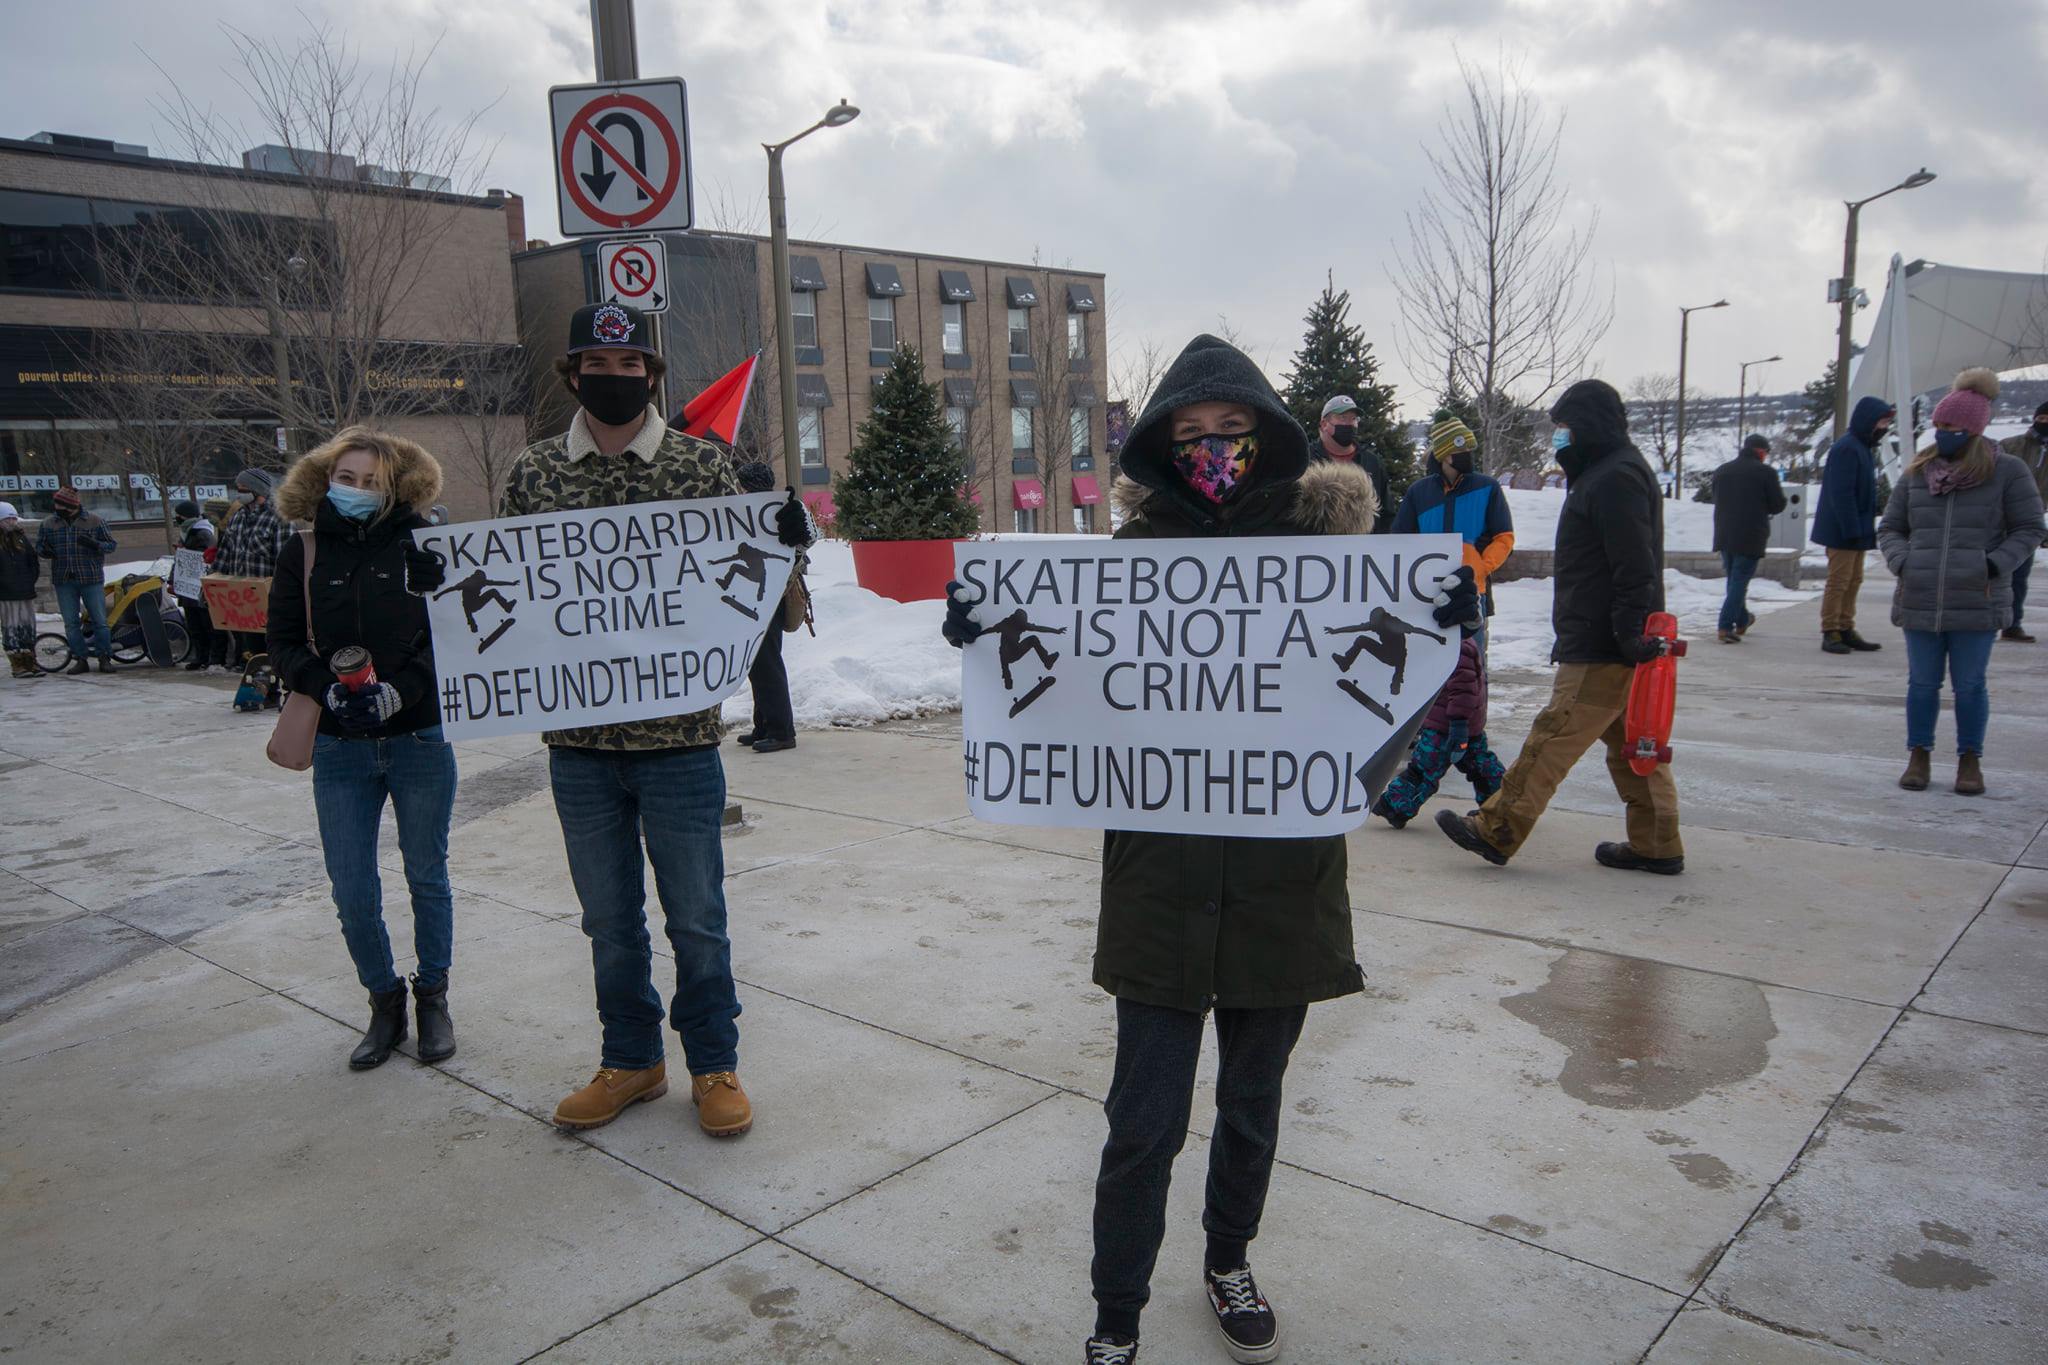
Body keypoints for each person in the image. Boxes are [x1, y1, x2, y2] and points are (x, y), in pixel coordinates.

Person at [947, 334, 1473, 1365]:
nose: (1212, 450)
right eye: (1188, 436)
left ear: (1269, 440)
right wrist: (985, 632)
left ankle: (1227, 1256)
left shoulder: (1334, 568)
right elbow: (1060, 701)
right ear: (1157, 450)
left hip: (1281, 885)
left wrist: (1434, 633)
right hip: (1158, 885)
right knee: (1139, 1119)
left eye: (1231, 432)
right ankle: (1114, 1313)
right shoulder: (1131, 568)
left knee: (1250, 1104)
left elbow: (1367, 739)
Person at [500, 302, 813, 1136]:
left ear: (652, 375)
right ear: (574, 374)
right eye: (598, 368)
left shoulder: (699, 468)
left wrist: (785, 547)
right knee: (608, 919)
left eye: (631, 366)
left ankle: (713, 1063)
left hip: (678, 743)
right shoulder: (533, 475)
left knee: (697, 917)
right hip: (580, 745)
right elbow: (504, 598)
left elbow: (751, 601)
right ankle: (631, 1059)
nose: (615, 380)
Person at [1436, 378, 1684, 875]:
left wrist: (1628, 634)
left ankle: (1498, 828)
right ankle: (1657, 842)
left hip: (1604, 641)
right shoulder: (1611, 472)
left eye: (1565, 427)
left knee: (1551, 739)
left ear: (1588, 425)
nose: (1559, 437)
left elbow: (1633, 565)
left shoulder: (1614, 477)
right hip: (1614, 637)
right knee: (1632, 747)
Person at [267, 428, 456, 1069]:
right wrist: (326, 688)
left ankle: (433, 998)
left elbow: (452, 640)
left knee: (427, 876)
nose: (356, 490)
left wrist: (400, 693)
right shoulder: (305, 552)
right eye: (345, 478)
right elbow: (284, 640)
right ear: (325, 479)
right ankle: (383, 1002)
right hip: (340, 746)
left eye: (371, 481)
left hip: (419, 738)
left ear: (398, 486)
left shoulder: (422, 547)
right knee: (351, 888)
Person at [1879, 369, 2044, 796]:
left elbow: (2029, 528)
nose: (1942, 433)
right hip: (1920, 595)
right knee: (1921, 683)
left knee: (1969, 684)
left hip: (1977, 597)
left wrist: (1992, 565)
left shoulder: (2008, 472)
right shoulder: (1917, 472)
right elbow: (1891, 527)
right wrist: (1904, 562)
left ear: (1972, 428)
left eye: (1951, 426)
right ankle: (1919, 755)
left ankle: (1970, 760)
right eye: (1939, 425)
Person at [1811, 397, 1894, 654]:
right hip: (1843, 531)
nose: (1884, 427)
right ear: (1868, 420)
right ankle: (1831, 630)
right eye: (1882, 421)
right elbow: (1842, 494)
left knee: (1854, 579)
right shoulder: (1847, 448)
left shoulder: (1862, 447)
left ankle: (1846, 626)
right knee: (1839, 581)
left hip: (1856, 529)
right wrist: (1851, 529)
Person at [732, 460, 799, 754]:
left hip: (768, 600)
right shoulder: (758, 512)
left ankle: (781, 730)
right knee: (758, 665)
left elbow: (799, 549)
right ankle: (764, 725)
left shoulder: (776, 512)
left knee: (765, 664)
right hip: (756, 598)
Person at [1709, 434, 1787, 644]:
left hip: (1724, 534)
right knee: (1739, 581)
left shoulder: (1722, 470)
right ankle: (1725, 626)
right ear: (1761, 451)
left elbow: (1714, 497)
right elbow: (1778, 505)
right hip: (1751, 535)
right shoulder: (1766, 473)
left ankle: (1742, 619)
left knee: (1734, 580)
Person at [211, 467, 294, 667]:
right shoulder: (238, 517)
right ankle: (262, 690)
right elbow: (225, 554)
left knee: (273, 654)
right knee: (254, 656)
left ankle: (277, 688)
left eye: (243, 488)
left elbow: (286, 563)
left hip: (269, 603)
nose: (239, 493)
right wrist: (212, 583)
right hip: (243, 605)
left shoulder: (278, 518)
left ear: (258, 490)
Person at [35, 486, 119, 675]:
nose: (56, 507)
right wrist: (45, 551)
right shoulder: (49, 523)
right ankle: (80, 658)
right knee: (71, 622)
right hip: (64, 579)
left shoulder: (94, 521)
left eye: (59, 504)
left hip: (91, 578)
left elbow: (111, 545)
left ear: (70, 506)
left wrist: (95, 544)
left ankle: (104, 657)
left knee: (99, 621)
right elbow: (40, 545)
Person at [1997, 399, 2048, 644]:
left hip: (2028, 523)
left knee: (2019, 575)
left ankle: (2012, 623)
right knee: (1991, 572)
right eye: (2042, 419)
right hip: (1997, 519)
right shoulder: (2010, 445)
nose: (2044, 424)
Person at [1310, 394, 1392, 533]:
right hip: (1315, 547)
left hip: (1364, 548)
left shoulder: (1371, 462)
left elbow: (1386, 513)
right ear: (1324, 424)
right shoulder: (1307, 459)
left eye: (1353, 419)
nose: (1349, 424)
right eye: (1343, 418)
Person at [170, 500, 219, 673]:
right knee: (194, 625)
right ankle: (201, 656)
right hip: (187, 587)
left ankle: (210, 657)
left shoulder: (203, 532)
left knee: (206, 624)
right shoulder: (187, 532)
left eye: (179, 515)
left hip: (198, 586)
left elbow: (206, 557)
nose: (177, 519)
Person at [1, 503, 40, 679]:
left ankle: (30, 660)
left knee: (27, 626)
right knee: (11, 627)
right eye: (7, 518)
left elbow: (33, 562)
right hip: (6, 594)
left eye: (13, 518)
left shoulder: (22, 539)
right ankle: (17, 664)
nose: (12, 521)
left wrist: (30, 581)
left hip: (25, 591)